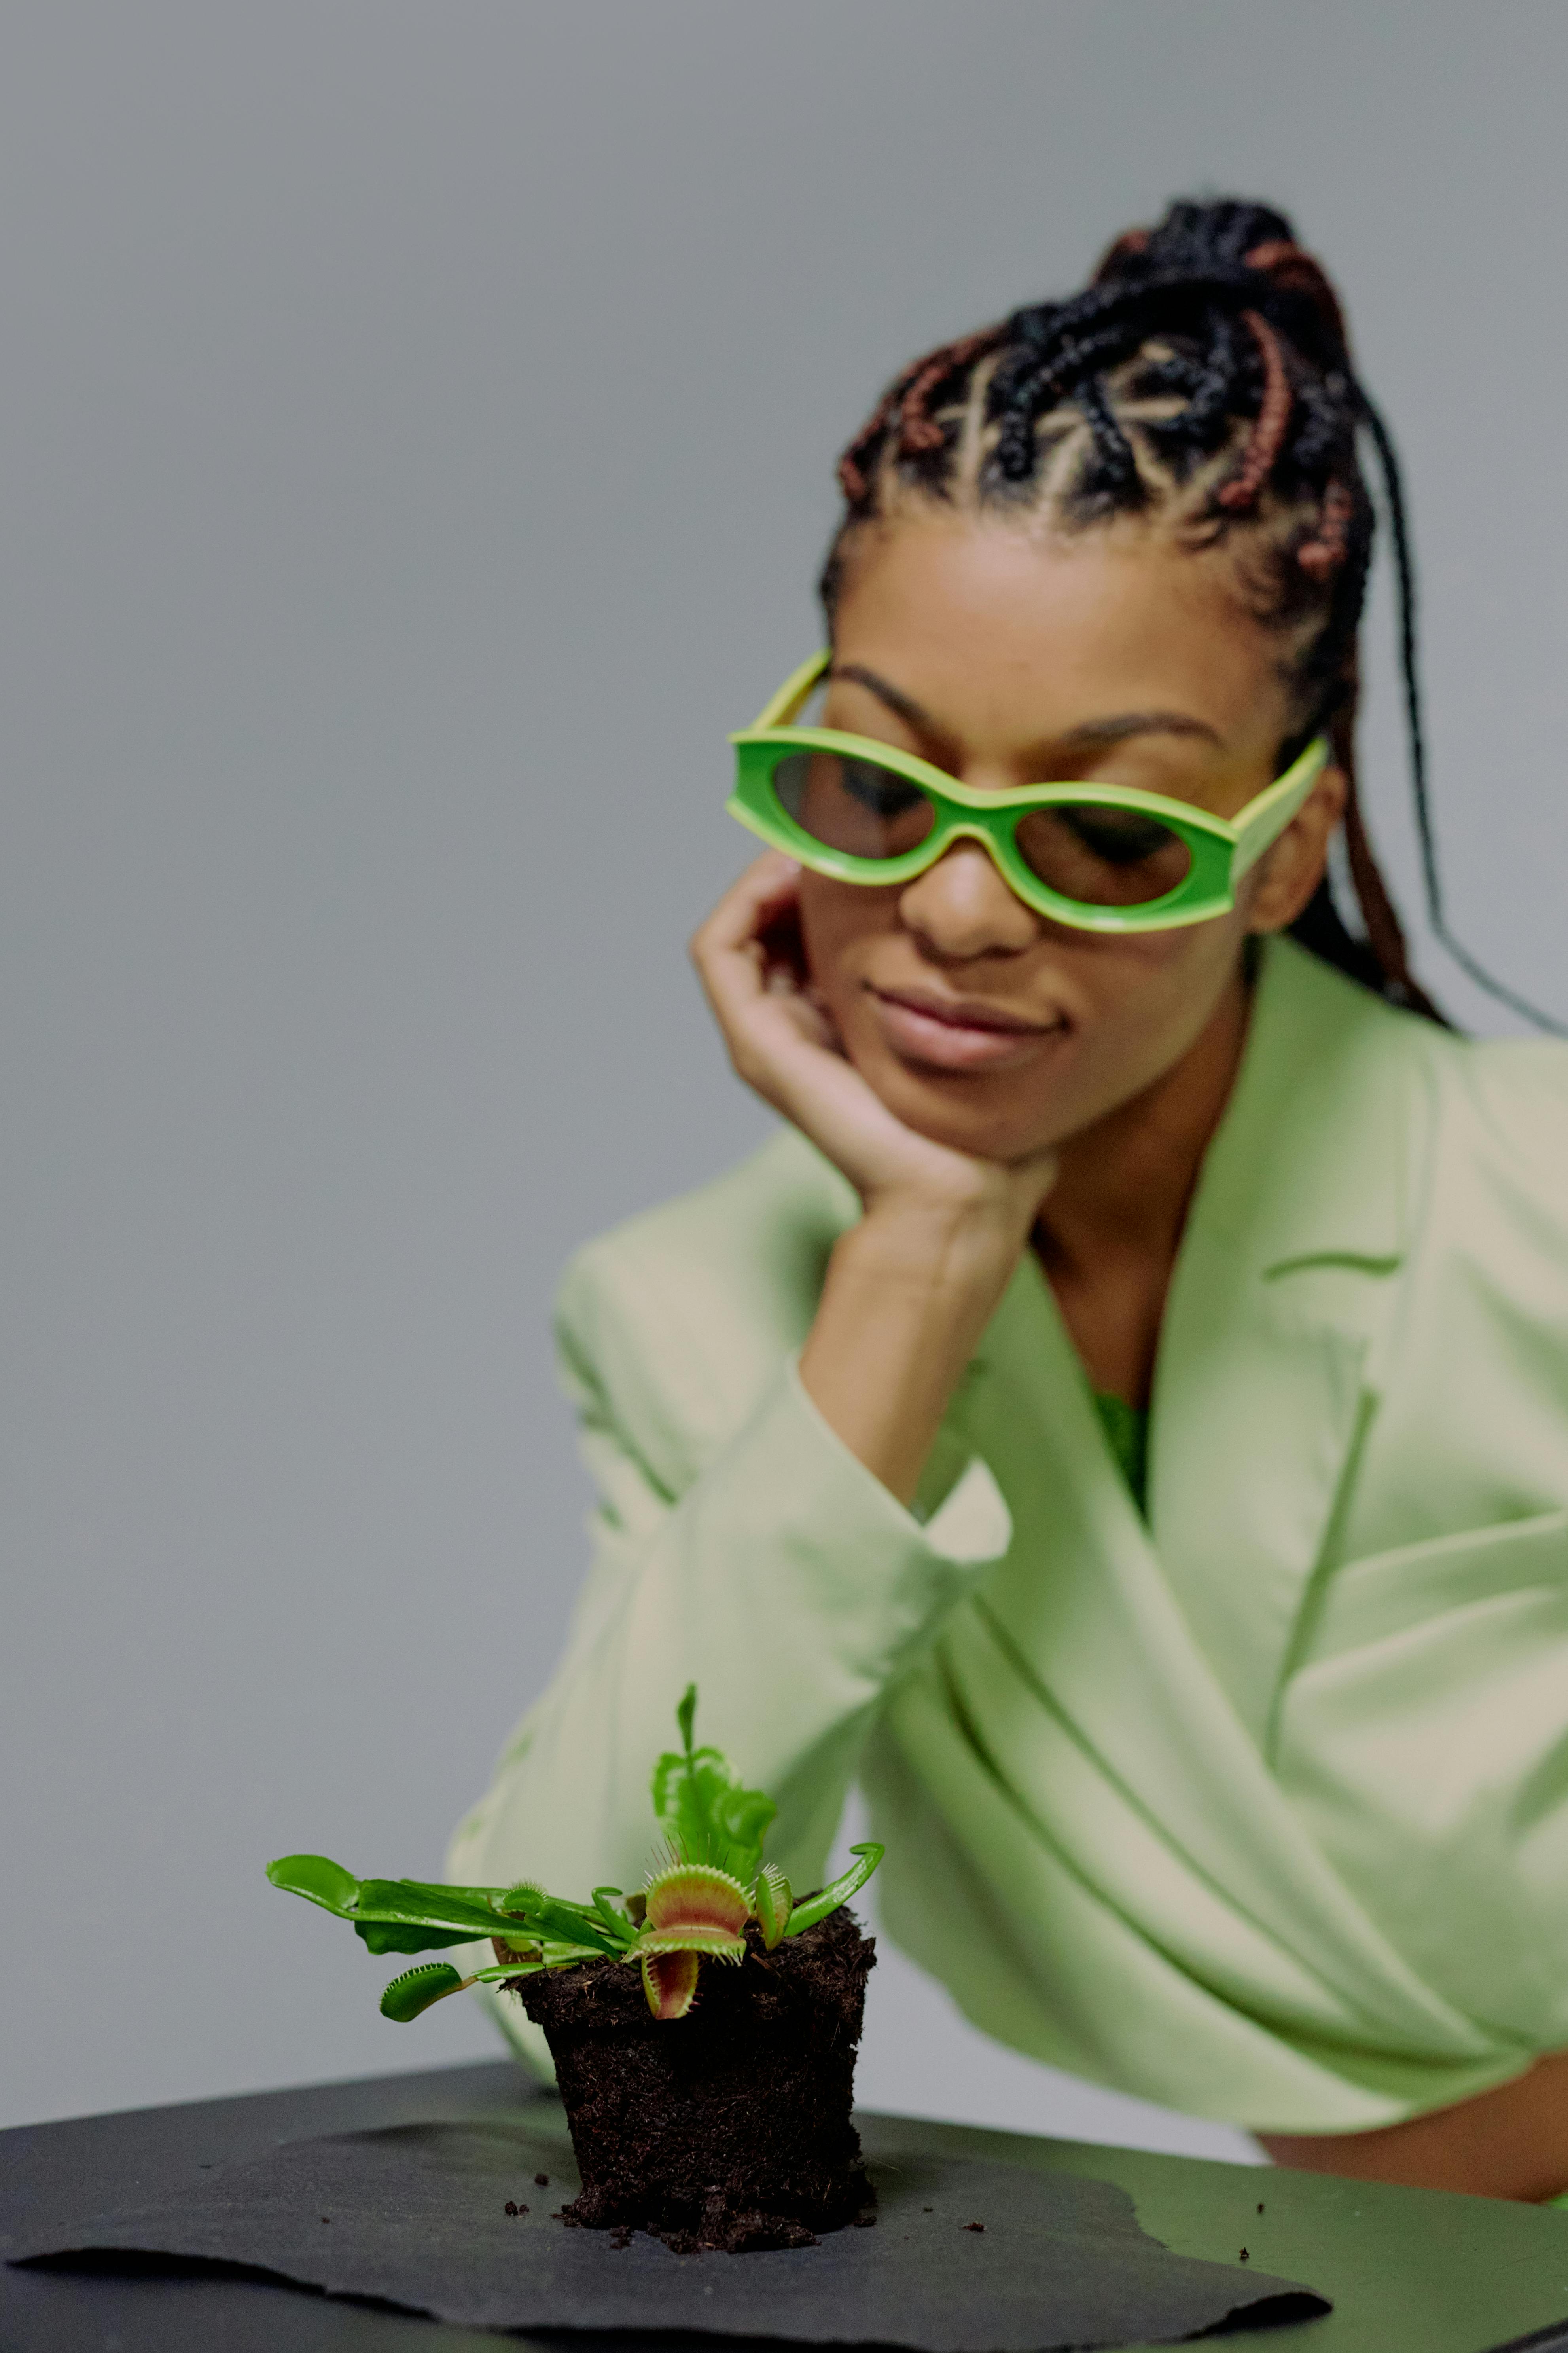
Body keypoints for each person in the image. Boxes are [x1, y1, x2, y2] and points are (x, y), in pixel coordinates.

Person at [449, 199, 1568, 2201]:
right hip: (1364, 2296)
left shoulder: (1533, 1191)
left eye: (1104, 832)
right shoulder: (695, 1318)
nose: (957, 911)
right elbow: (571, 1979)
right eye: (874, 790)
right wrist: (913, 1262)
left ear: (1286, 845)